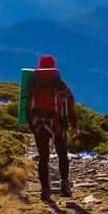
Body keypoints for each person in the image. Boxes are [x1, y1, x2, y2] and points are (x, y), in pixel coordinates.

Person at [28, 55, 78, 200]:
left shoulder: (32, 83)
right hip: (58, 125)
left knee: (43, 158)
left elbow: (26, 104)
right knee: (62, 155)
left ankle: (45, 190)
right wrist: (74, 126)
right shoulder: (60, 84)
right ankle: (64, 186)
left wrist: (31, 124)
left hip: (39, 124)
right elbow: (71, 105)